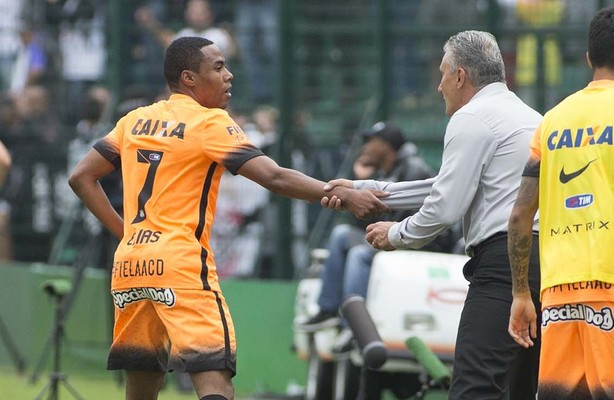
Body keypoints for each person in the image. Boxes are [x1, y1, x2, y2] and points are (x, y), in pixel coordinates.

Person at [68, 36, 387, 400]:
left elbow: (81, 177)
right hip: (181, 265)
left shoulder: (135, 120)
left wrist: (125, 233)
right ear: (189, 78)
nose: (229, 76)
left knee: (140, 385)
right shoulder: (210, 123)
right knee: (214, 379)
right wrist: (341, 194)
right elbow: (274, 176)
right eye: (218, 67)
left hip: (131, 266)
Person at [323, 30, 543, 399]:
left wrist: (396, 235)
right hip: (547, 265)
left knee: (474, 389)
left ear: (461, 77)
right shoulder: (527, 116)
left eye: (442, 74)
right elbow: (446, 183)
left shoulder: (472, 117)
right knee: (518, 390)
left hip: (504, 266)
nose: (439, 85)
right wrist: (365, 190)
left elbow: (446, 206)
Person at [507, 7, 614, 399]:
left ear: (588, 59)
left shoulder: (551, 120)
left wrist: (522, 293)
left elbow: (520, 214)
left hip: (558, 296)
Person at [297, 122, 448, 334]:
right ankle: (329, 310)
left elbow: (410, 219)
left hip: (422, 245)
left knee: (360, 254)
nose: (365, 147)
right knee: (342, 235)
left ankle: (353, 328)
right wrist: (358, 183)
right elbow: (367, 222)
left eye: (371, 142)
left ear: (386, 147)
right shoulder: (389, 170)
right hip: (397, 236)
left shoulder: (414, 168)